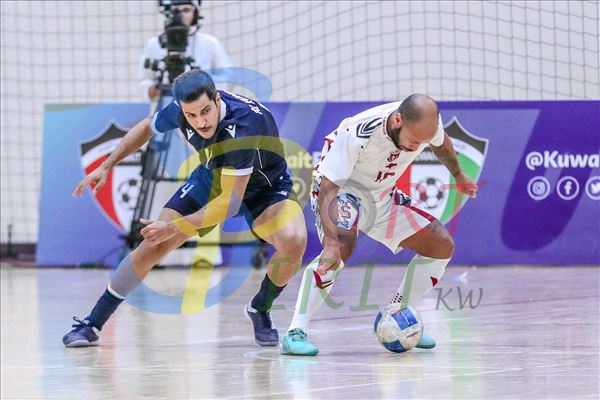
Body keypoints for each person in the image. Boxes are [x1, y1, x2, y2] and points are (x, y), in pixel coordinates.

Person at [63, 70, 307, 347]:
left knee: (294, 241)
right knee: (153, 245)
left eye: (206, 111)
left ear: (217, 100)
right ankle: (92, 323)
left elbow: (229, 204)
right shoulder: (182, 110)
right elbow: (146, 127)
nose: (201, 122)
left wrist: (175, 226)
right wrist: (107, 165)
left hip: (265, 187)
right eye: (192, 115)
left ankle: (260, 308)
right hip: (213, 177)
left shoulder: (244, 126)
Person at [279, 94, 478, 356]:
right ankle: (295, 331)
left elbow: (442, 144)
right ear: (398, 120)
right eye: (413, 140)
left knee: (441, 246)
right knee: (341, 248)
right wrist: (331, 243)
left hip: (382, 195)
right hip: (342, 190)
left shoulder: (427, 125)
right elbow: (329, 186)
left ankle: (395, 315)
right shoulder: (358, 133)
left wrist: (459, 175)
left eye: (422, 143)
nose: (416, 147)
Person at [139, 0, 233, 101]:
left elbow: (229, 77)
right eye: (175, 11)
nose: (181, 15)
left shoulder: (210, 43)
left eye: (186, 10)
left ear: (195, 13)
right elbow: (144, 81)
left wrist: (204, 88)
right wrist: (152, 90)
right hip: (166, 104)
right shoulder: (154, 44)